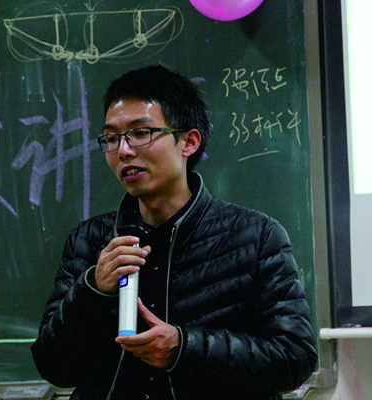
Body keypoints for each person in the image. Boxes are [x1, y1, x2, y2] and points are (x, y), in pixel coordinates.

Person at [31, 64, 317, 400]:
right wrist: (92, 289)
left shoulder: (255, 237)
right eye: (112, 138)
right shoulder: (88, 241)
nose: (123, 151)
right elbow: (53, 368)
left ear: (188, 142)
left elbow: (295, 358)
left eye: (141, 133)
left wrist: (184, 347)